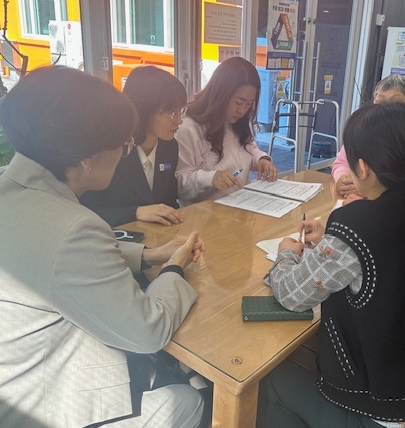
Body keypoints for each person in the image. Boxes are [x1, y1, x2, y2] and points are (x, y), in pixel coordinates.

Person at [0, 65, 205, 428]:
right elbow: (147, 331)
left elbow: (48, 259)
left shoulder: (12, 188)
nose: (126, 151)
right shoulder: (74, 227)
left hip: (14, 375)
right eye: (123, 145)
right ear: (86, 159)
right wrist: (173, 268)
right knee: (186, 402)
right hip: (40, 402)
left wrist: (146, 255)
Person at [263, 102, 405, 428]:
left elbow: (292, 294)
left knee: (275, 384)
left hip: (392, 417)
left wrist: (286, 253)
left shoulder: (357, 223)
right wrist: (329, 242)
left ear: (362, 167)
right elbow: (397, 258)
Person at [80, 65, 186, 227]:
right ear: (145, 109)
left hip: (161, 235)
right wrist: (135, 212)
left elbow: (169, 202)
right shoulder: (111, 150)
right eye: (172, 112)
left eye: (180, 111)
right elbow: (89, 212)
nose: (179, 120)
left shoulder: (169, 147)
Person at [175, 57, 278, 205]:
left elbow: (249, 149)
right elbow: (179, 184)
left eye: (249, 104)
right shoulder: (188, 127)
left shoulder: (239, 121)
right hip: (204, 211)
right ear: (220, 94)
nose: (242, 110)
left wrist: (261, 159)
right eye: (238, 102)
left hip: (240, 204)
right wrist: (210, 178)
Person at [332, 74, 405, 198]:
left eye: (394, 103)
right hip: (355, 197)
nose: (385, 109)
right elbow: (341, 163)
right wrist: (342, 179)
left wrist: (369, 190)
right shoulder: (362, 129)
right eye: (380, 102)